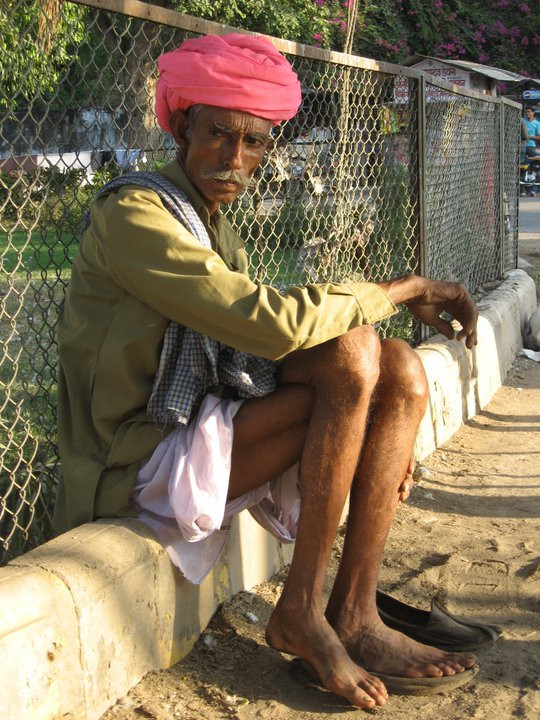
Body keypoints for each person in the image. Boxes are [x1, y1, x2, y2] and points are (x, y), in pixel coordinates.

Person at [54, 33, 480, 709]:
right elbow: (268, 324)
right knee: (355, 350)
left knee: (396, 366)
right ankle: (301, 610)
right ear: (181, 125)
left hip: (199, 435)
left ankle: (355, 613)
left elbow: (264, 346)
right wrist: (401, 289)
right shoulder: (134, 213)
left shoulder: (212, 222)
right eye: (221, 133)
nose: (236, 157)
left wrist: (386, 423)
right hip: (130, 462)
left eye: (255, 143)